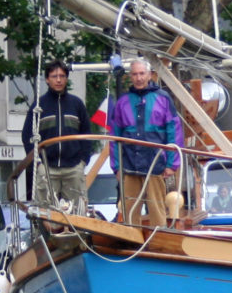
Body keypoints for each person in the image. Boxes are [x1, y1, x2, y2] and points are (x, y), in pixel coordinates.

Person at [108, 56, 185, 226]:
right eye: (135, 74)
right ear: (131, 76)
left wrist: (172, 164)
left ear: (150, 74)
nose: (139, 77)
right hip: (129, 165)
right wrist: (116, 167)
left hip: (155, 164)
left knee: (157, 209)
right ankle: (130, 243)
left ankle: (159, 241)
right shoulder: (122, 102)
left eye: (142, 73)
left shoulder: (163, 98)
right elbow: (114, 137)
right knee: (129, 210)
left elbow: (174, 132)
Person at [21, 60, 92, 212]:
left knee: (78, 213)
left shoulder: (77, 104)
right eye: (54, 76)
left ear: (67, 78)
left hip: (73, 167)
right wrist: (38, 162)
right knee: (46, 212)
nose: (58, 80)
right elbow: (28, 135)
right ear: (47, 79)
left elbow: (86, 134)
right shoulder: (38, 106)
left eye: (62, 76)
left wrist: (83, 161)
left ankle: (77, 235)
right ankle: (47, 234)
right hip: (47, 168)